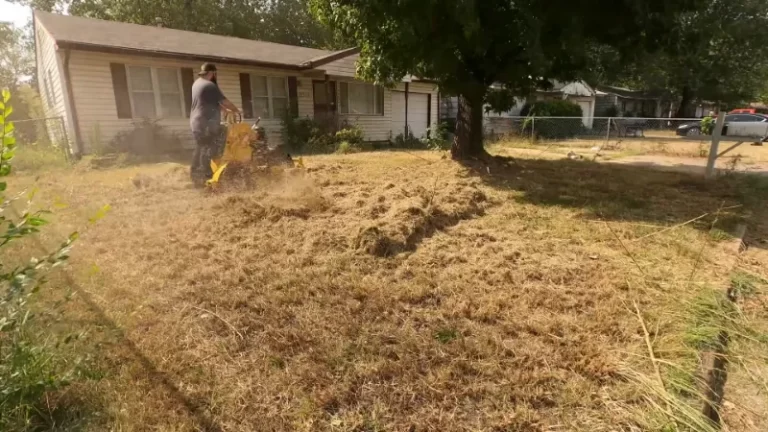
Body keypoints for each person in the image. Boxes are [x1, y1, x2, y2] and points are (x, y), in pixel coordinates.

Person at [189, 63, 240, 187]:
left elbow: (208, 102)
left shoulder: (197, 84)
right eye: (215, 74)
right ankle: (209, 177)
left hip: (196, 123)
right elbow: (224, 101)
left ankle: (195, 176)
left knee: (201, 148)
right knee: (212, 146)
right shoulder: (210, 85)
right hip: (206, 123)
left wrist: (224, 111)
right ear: (212, 73)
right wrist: (235, 110)